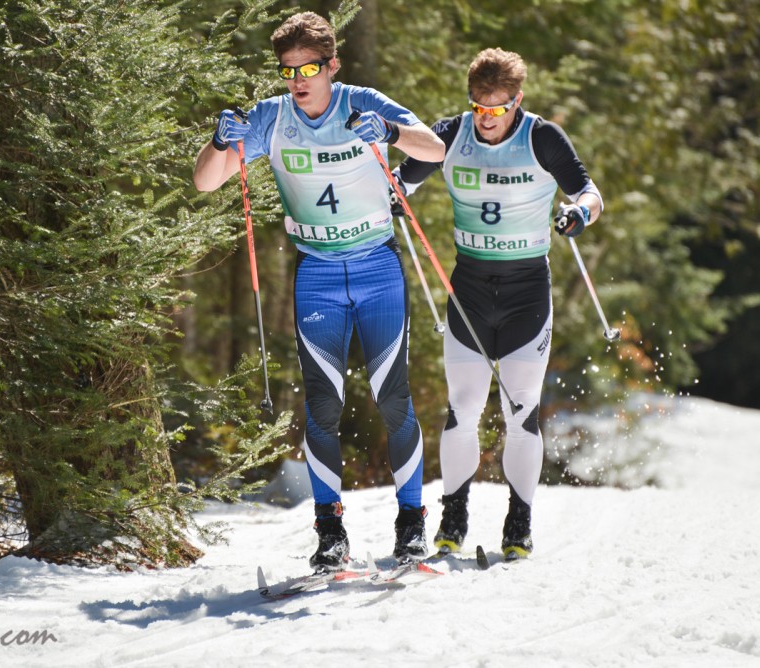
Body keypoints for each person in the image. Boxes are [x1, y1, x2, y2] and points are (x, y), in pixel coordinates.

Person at [193, 12, 445, 569]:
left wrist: (391, 132)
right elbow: (206, 180)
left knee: (394, 398)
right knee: (321, 406)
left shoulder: (363, 102)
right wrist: (218, 141)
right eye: (288, 70)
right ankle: (330, 534)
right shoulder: (271, 117)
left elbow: (435, 150)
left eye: (309, 67)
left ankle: (410, 527)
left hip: (377, 267)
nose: (299, 79)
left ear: (333, 65)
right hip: (318, 275)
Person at [393, 47, 604, 561]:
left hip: (526, 290)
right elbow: (397, 184)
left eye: (498, 108)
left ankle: (519, 521)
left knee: (521, 410)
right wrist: (392, 193)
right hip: (468, 289)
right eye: (479, 108)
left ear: (517, 100)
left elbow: (591, 194)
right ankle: (453, 515)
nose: (487, 119)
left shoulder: (542, 137)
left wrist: (578, 213)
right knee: (463, 409)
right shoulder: (448, 136)